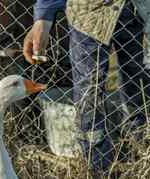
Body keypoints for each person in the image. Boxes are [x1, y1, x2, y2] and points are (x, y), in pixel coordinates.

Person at [23, 0, 150, 177]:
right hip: (90, 12)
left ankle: (141, 160)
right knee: (89, 99)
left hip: (142, 11)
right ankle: (98, 167)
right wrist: (43, 17)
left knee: (142, 95)